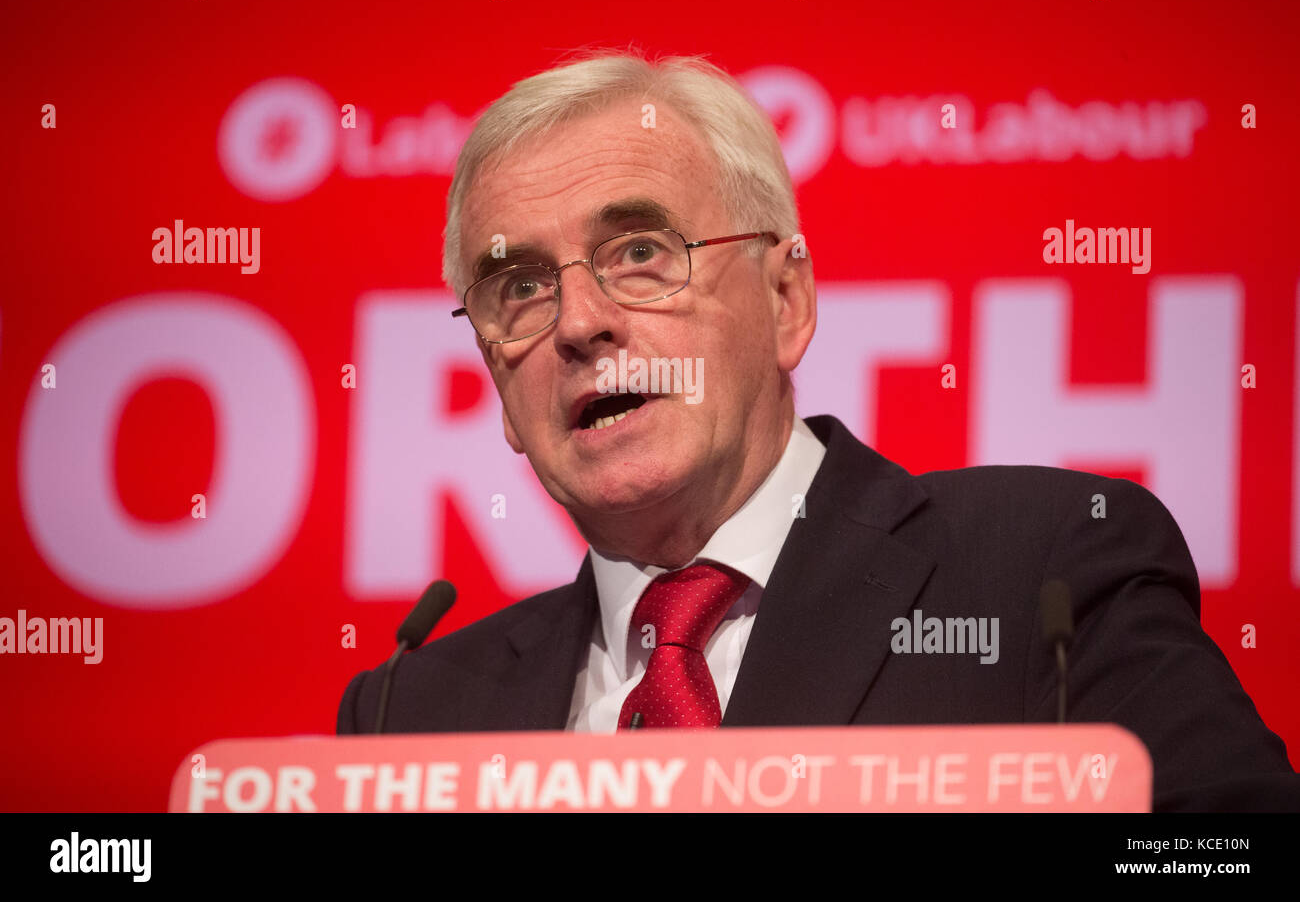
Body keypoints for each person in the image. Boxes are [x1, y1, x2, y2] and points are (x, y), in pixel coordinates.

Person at [338, 49, 1299, 810]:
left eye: (640, 252)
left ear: (787, 298)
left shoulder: (1040, 572)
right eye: (521, 287)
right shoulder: (408, 717)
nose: (581, 321)